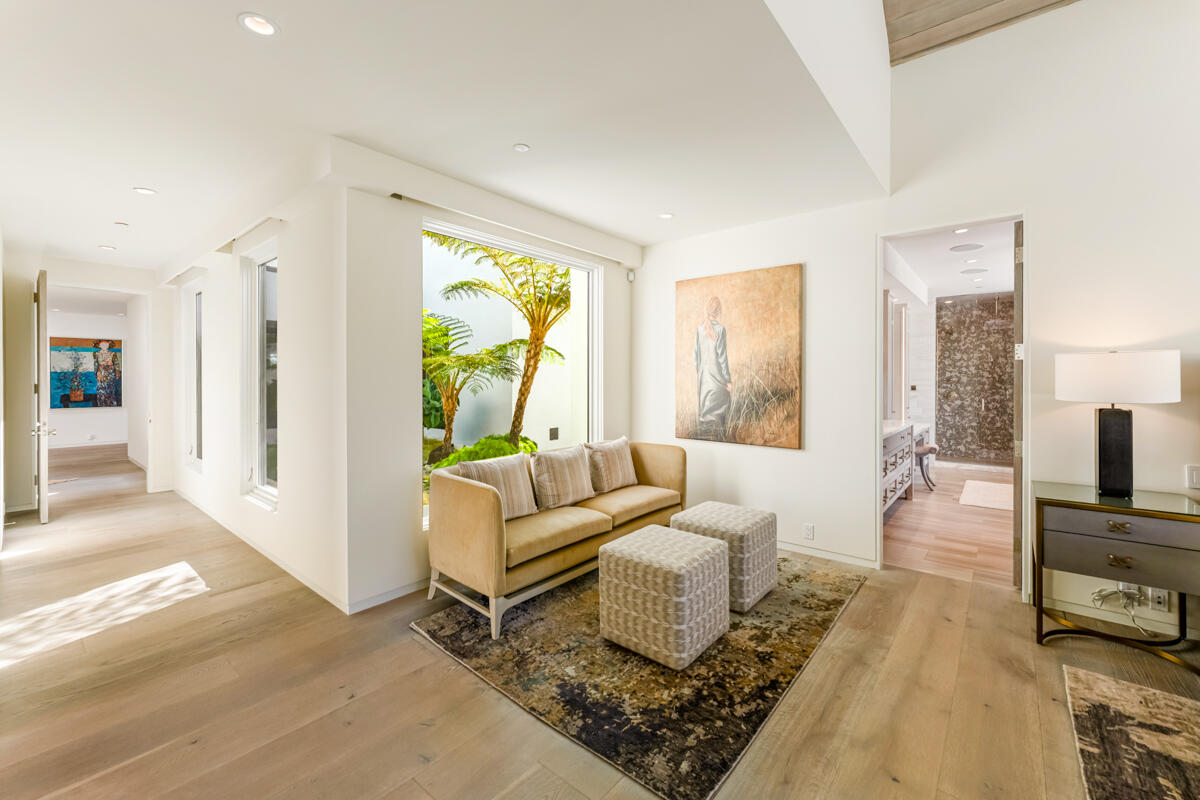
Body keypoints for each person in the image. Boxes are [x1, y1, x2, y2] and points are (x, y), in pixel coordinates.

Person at [693, 296, 732, 439]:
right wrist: (728, 381)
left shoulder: (699, 329)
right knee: (723, 412)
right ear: (719, 311)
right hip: (718, 380)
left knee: (704, 419)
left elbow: (695, 356)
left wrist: (702, 374)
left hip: (704, 381)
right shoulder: (721, 330)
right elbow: (722, 358)